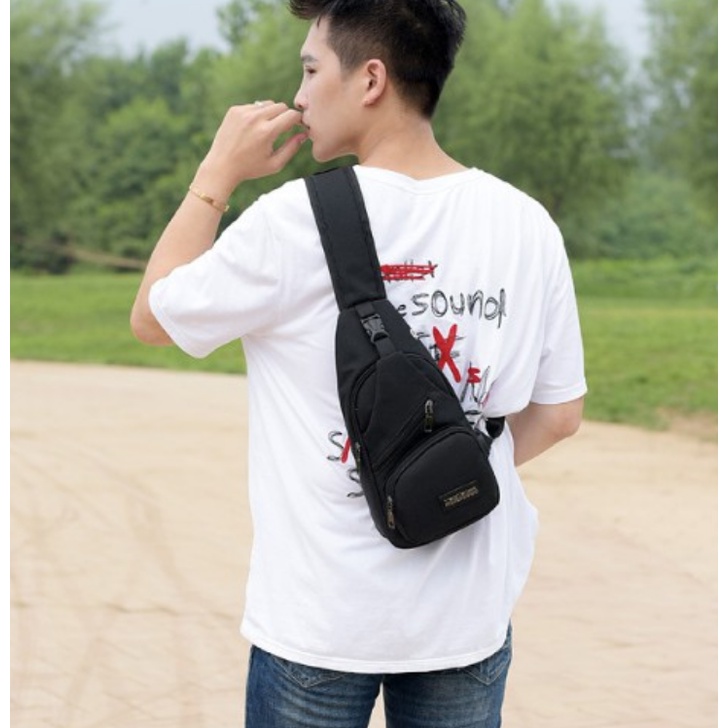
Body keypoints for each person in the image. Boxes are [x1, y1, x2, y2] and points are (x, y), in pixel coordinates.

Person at [130, 0, 586, 725]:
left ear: (370, 79)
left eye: (311, 71)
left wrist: (216, 174)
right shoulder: (525, 223)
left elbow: (153, 318)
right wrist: (432, 476)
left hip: (319, 620)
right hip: (464, 615)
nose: (300, 96)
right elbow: (559, 414)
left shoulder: (292, 222)